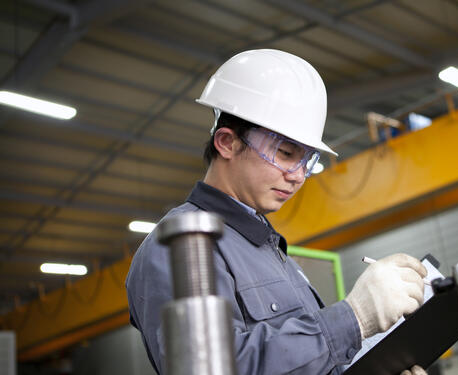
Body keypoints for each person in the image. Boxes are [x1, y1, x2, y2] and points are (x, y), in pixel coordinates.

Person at [125, 49, 429, 375]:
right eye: (285, 153)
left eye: (307, 160)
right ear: (227, 143)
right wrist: (353, 318)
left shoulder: (269, 250)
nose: (298, 175)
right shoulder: (181, 247)